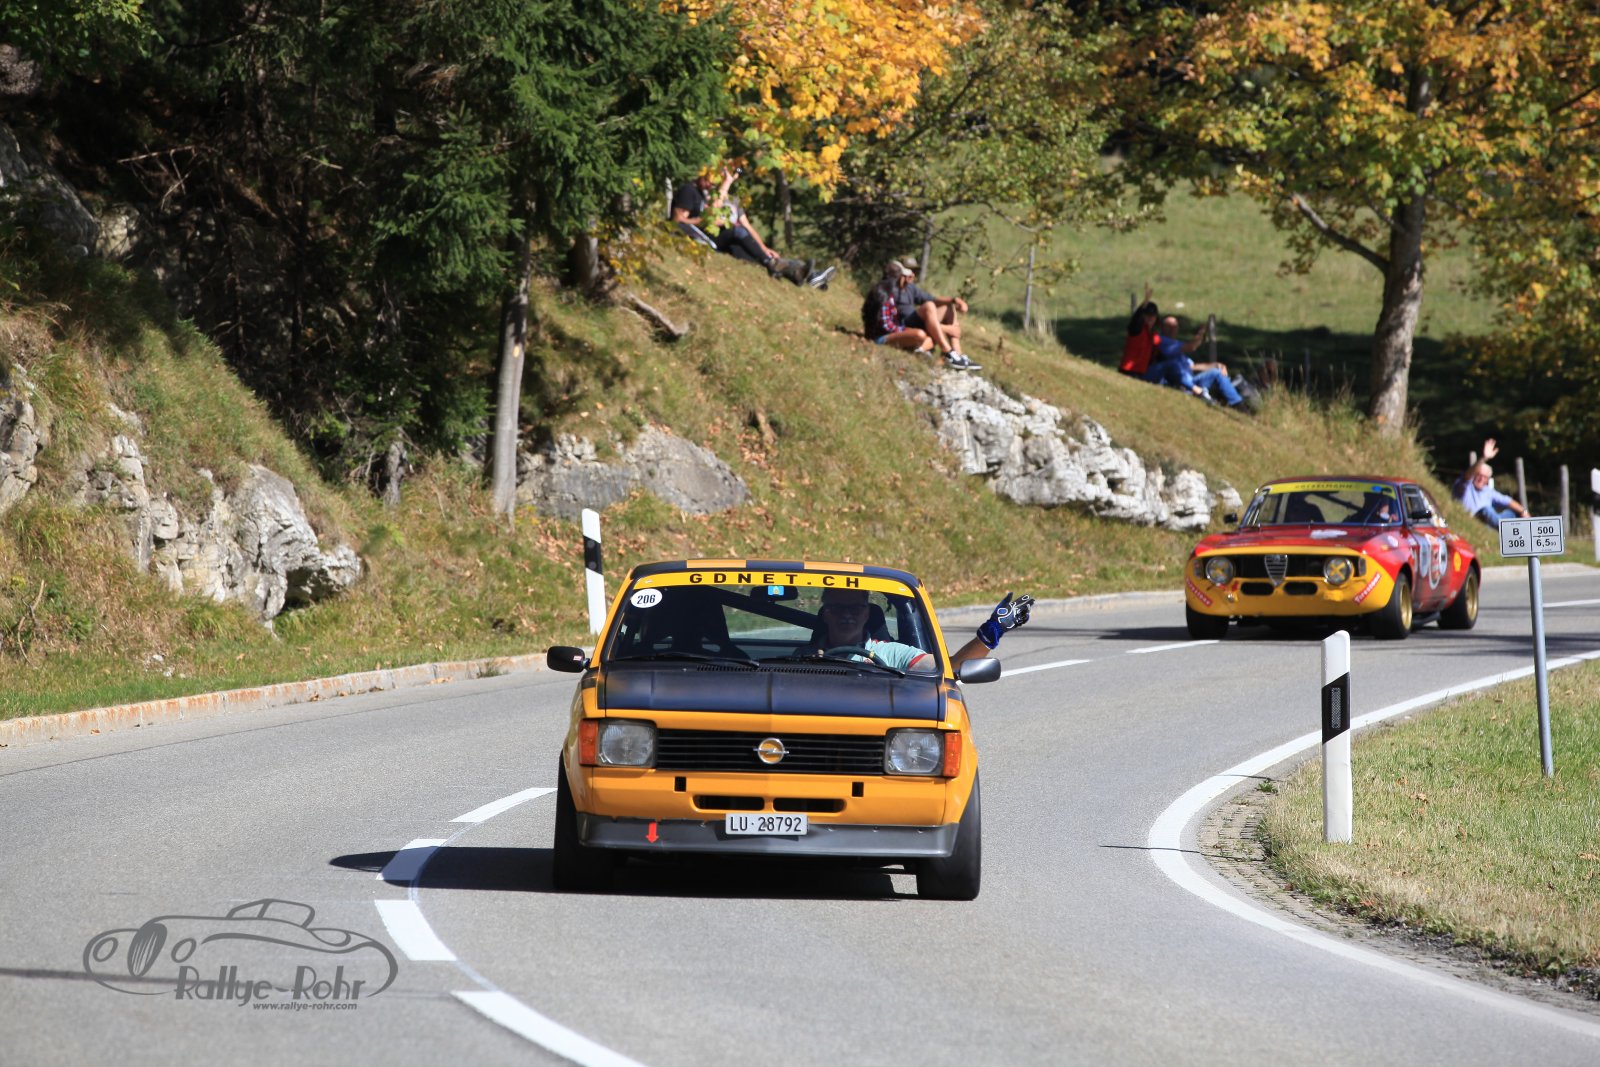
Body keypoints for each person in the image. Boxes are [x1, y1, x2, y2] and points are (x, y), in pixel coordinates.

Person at [805, 587, 1034, 672]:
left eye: (855, 608)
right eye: (838, 608)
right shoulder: (800, 659)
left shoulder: (892, 654)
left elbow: (950, 668)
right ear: (826, 613)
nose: (847, 615)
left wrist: (993, 630)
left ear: (867, 613)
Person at [671, 169, 819, 286]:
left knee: (752, 254)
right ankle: (786, 267)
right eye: (709, 179)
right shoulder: (693, 191)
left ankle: (801, 274)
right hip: (710, 237)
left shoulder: (724, 198)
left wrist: (764, 248)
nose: (711, 184)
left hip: (726, 239)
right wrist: (706, 220)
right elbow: (681, 220)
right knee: (739, 233)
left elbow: (746, 225)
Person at [1147, 315, 1247, 410]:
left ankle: (1238, 405)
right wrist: (1201, 333)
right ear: (1162, 327)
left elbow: (1192, 366)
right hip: (1179, 382)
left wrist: (1216, 365)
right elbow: (1191, 347)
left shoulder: (1176, 345)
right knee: (1215, 374)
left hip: (1192, 379)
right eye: (1169, 326)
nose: (1172, 329)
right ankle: (1217, 398)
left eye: (1175, 326)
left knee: (1217, 372)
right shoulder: (1163, 341)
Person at [896, 256, 978, 370]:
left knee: (947, 307)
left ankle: (957, 355)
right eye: (910, 271)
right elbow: (896, 322)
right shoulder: (892, 289)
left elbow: (932, 299)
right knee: (929, 307)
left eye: (914, 272)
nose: (913, 275)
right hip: (904, 326)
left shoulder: (910, 287)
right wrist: (947, 329)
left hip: (915, 322)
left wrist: (954, 300)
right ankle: (948, 352)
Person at [863, 264, 941, 359]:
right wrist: (904, 330)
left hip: (887, 332)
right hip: (880, 337)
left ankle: (921, 349)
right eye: (901, 277)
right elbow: (886, 325)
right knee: (920, 334)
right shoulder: (884, 295)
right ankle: (921, 349)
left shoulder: (885, 291)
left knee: (929, 335)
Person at [1452, 438, 1528, 528]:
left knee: (1513, 514)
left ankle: (1526, 528)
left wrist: (1524, 512)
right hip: (1474, 521)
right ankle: (1505, 528)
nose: (1481, 479)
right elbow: (1467, 476)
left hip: (1490, 523)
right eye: (1479, 475)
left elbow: (1508, 501)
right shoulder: (1465, 487)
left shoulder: (1488, 491)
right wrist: (1484, 458)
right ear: (1474, 475)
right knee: (1486, 510)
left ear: (1488, 480)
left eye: (1485, 477)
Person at [1119, 287, 1159, 378]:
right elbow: (1136, 319)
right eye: (1147, 315)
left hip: (1141, 374)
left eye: (1152, 315)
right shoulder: (1137, 329)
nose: (1150, 318)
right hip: (1127, 372)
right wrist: (1144, 303)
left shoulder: (1154, 335)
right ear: (1143, 316)